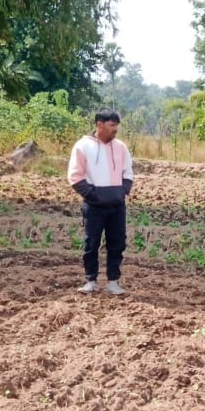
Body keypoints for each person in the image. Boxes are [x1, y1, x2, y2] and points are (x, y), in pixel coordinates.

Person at [67, 108, 134, 295]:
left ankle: (113, 282)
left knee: (117, 243)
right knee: (92, 243)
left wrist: (121, 192)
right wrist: (93, 196)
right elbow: (75, 177)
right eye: (112, 125)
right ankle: (91, 281)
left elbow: (128, 173)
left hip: (117, 206)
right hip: (94, 206)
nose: (115, 129)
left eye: (116, 125)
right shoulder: (82, 146)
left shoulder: (121, 147)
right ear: (99, 125)